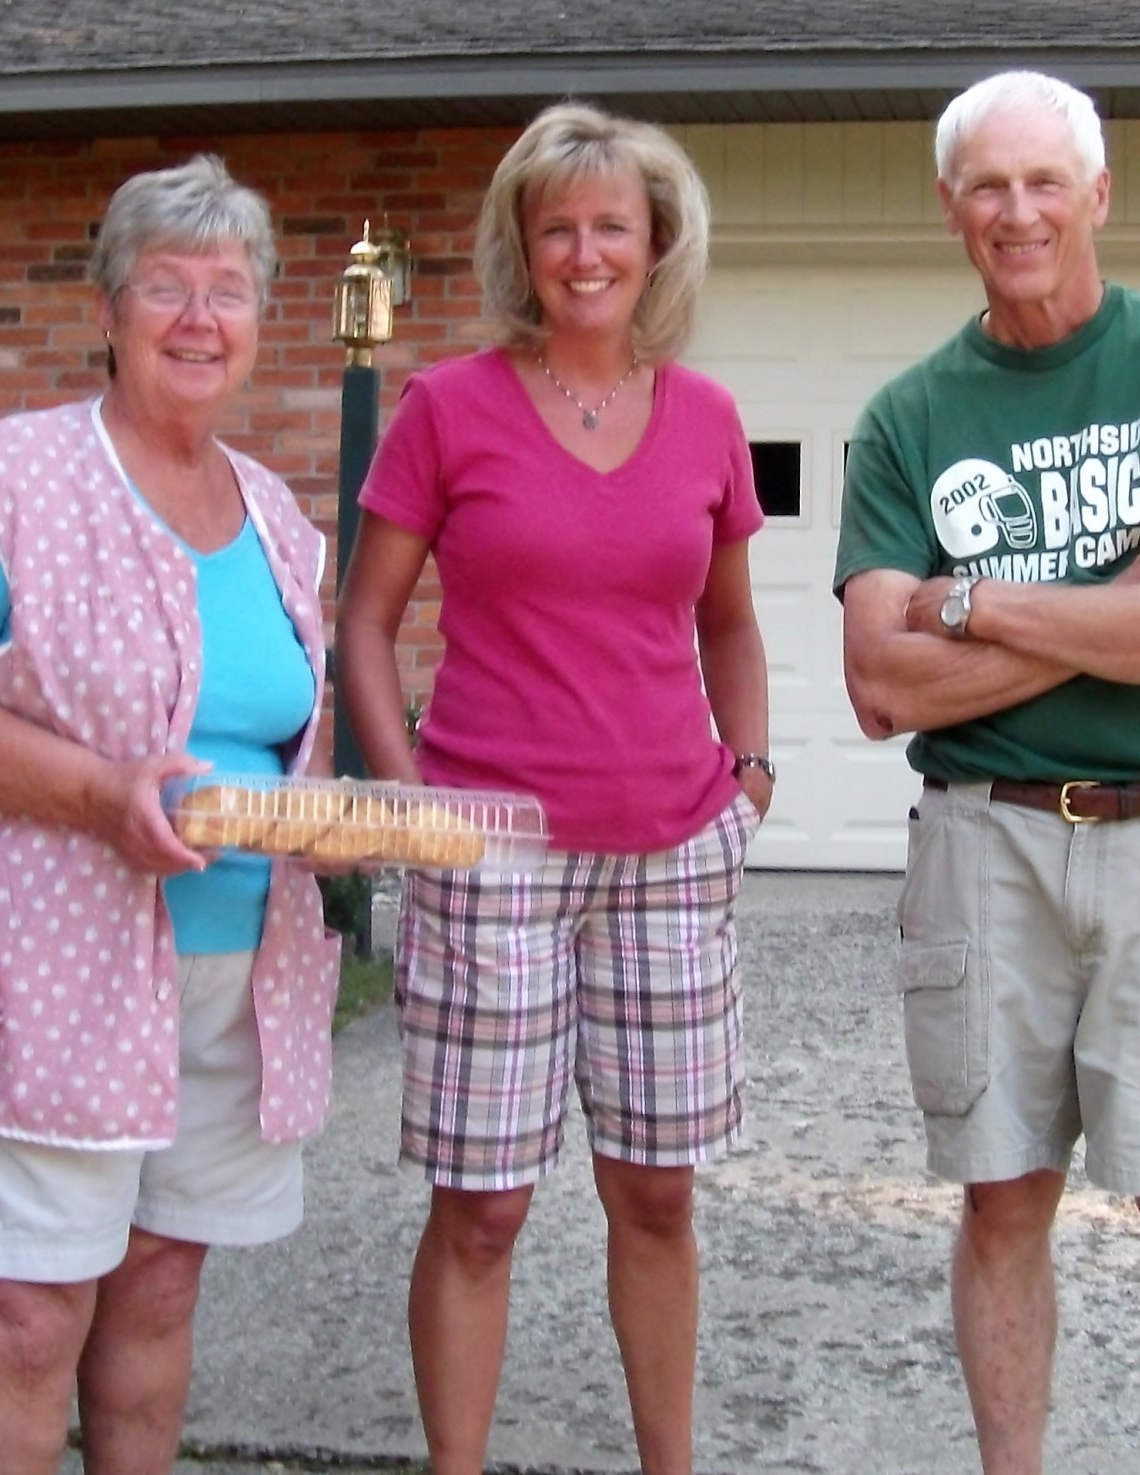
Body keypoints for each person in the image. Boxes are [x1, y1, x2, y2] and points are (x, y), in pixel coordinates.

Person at [833, 72, 1140, 1475]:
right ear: (950, 209)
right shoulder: (909, 416)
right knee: (999, 1199)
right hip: (983, 846)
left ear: (1099, 194)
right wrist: (1129, 586)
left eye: (1046, 182)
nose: (1019, 211)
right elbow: (882, 687)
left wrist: (974, 605)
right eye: (988, 186)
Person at [0, 155, 341, 1475]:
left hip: (228, 973)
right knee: (25, 1317)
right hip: (41, 971)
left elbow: (272, 730)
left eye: (228, 290)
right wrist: (96, 791)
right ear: (109, 309)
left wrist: (320, 818)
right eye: (166, 286)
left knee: (159, 1290)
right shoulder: (19, 479)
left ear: (259, 320)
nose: (199, 318)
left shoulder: (275, 516)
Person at [337, 101, 771, 1475]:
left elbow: (729, 623)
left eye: (612, 227)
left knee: (656, 1196)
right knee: (483, 1209)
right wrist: (410, 803)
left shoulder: (706, 418)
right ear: (523, 248)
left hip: (670, 852)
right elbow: (364, 624)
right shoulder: (447, 409)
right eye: (559, 227)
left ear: (657, 242)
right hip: (493, 855)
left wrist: (751, 775)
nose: (587, 253)